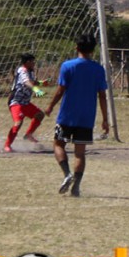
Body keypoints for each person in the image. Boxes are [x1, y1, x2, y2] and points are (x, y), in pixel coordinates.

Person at [44, 34, 109, 197]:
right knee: (80, 153)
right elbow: (102, 95)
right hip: (86, 117)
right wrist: (105, 119)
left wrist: (50, 106)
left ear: (76, 47)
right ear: (93, 50)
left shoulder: (67, 66)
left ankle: (67, 174)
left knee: (58, 144)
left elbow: (61, 90)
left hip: (66, 115)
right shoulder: (98, 69)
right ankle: (76, 187)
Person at [4, 53, 47, 152]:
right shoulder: (22, 70)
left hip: (25, 102)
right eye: (32, 61)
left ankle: (28, 134)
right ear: (27, 62)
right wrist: (37, 90)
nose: (34, 63)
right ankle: (7, 145)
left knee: (39, 115)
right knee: (18, 123)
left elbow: (32, 82)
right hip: (16, 101)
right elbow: (26, 82)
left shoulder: (30, 71)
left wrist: (42, 83)